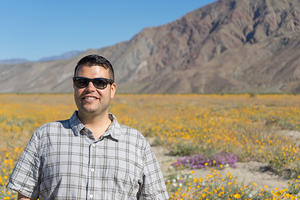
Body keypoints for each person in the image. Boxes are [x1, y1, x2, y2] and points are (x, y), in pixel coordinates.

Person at [7, 55, 169, 200]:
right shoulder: (45, 136)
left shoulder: (136, 143)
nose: (90, 88)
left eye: (100, 83)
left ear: (112, 90)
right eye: (82, 82)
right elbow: (25, 195)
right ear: (74, 86)